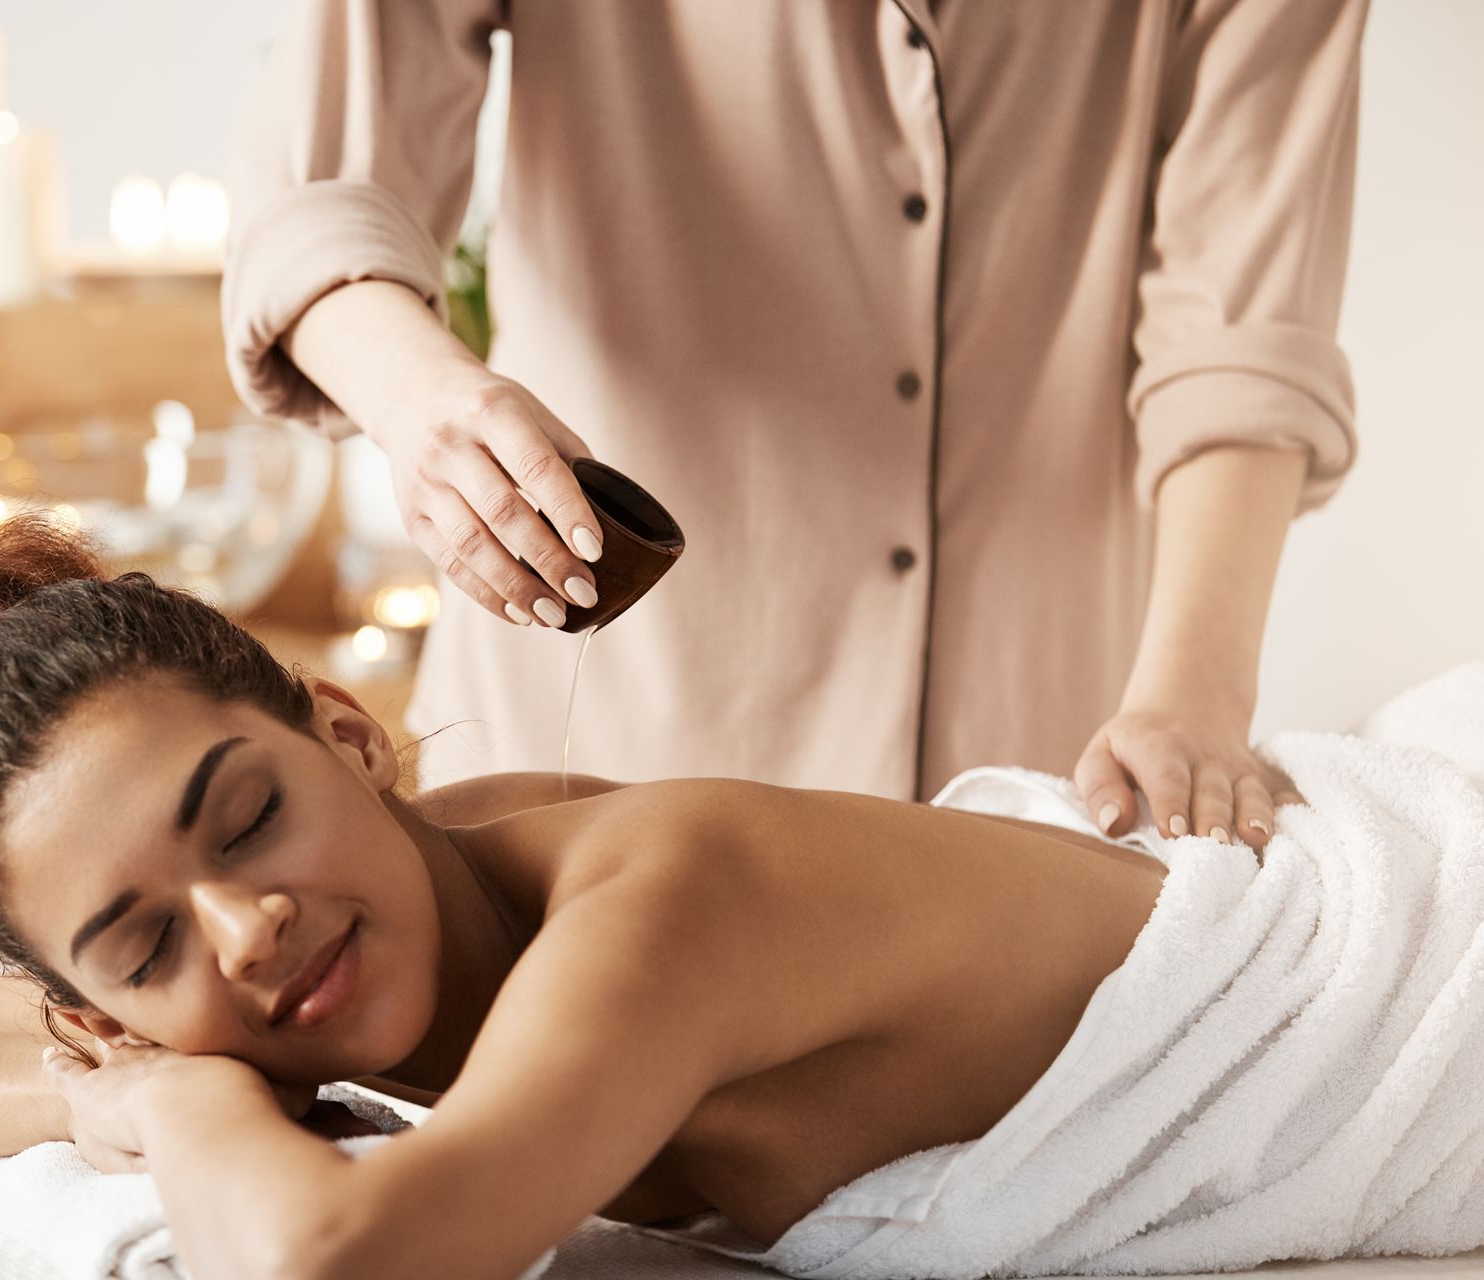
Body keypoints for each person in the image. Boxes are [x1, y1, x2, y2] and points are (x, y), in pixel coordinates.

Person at [0, 520, 1484, 1278]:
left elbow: (344, 1256)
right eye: (144, 942)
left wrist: (165, 1093)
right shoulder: (302, 972)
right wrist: (83, 1077)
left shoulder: (662, 900)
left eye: (244, 818)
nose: (245, 926)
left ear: (347, 733)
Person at [222, 0, 1367, 852]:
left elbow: (1243, 319)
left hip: (1043, 780)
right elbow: (318, 201)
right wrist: (424, 401)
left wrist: (1191, 703)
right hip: (592, 759)